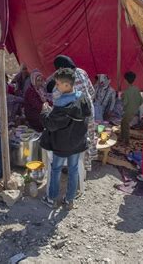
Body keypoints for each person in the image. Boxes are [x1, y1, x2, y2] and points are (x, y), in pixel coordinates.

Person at [39, 68, 92, 210]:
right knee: (73, 169)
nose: (56, 86)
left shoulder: (61, 104)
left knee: (56, 169)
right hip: (76, 143)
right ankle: (69, 200)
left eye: (58, 84)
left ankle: (51, 199)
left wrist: (45, 111)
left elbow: (51, 124)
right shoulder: (81, 97)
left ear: (67, 85)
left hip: (61, 145)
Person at [51, 55, 96, 170]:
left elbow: (56, 100)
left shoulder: (64, 80)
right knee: (88, 138)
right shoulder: (81, 72)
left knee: (72, 140)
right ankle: (86, 164)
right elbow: (92, 91)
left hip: (75, 117)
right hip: (88, 111)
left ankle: (73, 166)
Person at [120, 72, 143, 146]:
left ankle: (126, 141)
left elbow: (124, 103)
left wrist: (122, 97)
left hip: (128, 111)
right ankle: (122, 137)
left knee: (125, 124)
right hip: (134, 110)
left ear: (126, 80)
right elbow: (141, 101)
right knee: (123, 122)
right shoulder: (136, 89)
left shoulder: (126, 92)